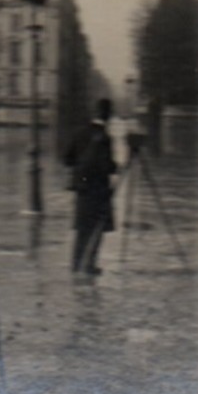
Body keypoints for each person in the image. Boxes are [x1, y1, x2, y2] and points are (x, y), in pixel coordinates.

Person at [64, 98, 118, 276]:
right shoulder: (105, 137)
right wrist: (115, 166)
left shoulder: (79, 132)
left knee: (82, 227)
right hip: (98, 190)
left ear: (94, 112)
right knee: (98, 227)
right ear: (108, 115)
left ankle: (75, 264)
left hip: (81, 188)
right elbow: (105, 166)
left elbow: (67, 159)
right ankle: (89, 265)